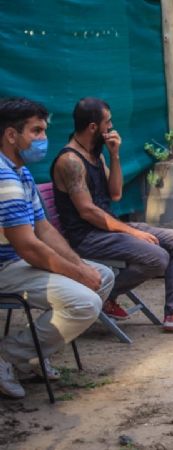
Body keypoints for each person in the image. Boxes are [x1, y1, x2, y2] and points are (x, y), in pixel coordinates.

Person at [51, 98, 173, 332]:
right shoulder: (70, 161)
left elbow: (115, 193)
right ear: (93, 127)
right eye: (108, 122)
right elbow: (87, 211)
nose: (112, 128)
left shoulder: (96, 156)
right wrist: (132, 231)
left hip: (106, 229)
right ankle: (102, 294)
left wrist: (115, 155)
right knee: (157, 257)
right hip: (86, 237)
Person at [0, 97, 115, 399]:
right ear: (11, 135)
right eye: (36, 131)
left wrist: (80, 265)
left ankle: (33, 354)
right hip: (5, 267)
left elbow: (44, 229)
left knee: (101, 276)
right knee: (85, 302)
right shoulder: (4, 176)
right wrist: (77, 272)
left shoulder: (21, 171)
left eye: (44, 131)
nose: (43, 139)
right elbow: (28, 247)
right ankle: (8, 356)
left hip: (17, 263)